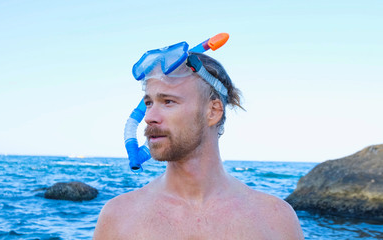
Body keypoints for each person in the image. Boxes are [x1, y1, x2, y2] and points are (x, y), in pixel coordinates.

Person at [93, 42, 304, 239]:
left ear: (213, 111)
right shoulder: (118, 218)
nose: (149, 117)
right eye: (149, 103)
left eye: (168, 101)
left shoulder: (275, 220)